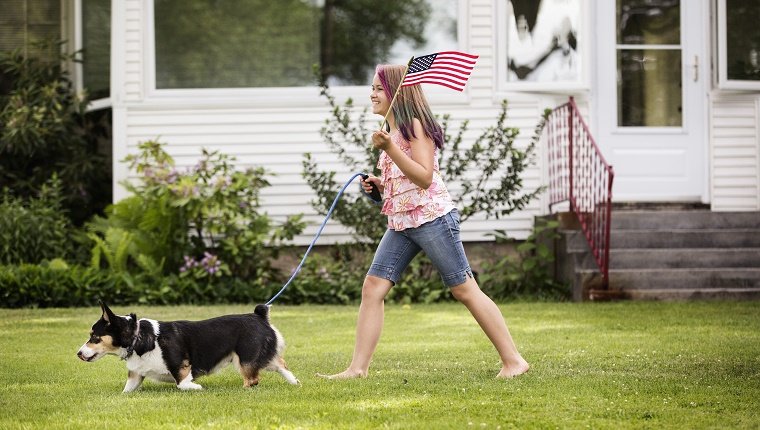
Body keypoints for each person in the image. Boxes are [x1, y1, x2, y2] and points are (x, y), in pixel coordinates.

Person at [320, 64, 530, 380]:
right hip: (402, 223)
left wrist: (391, 148)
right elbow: (403, 182)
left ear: (395, 93)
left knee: (464, 289)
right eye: (372, 88)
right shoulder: (391, 133)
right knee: (373, 287)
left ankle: (514, 361)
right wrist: (379, 186)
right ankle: (357, 369)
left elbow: (424, 177)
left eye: (378, 88)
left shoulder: (413, 127)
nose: (372, 94)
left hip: (432, 219)